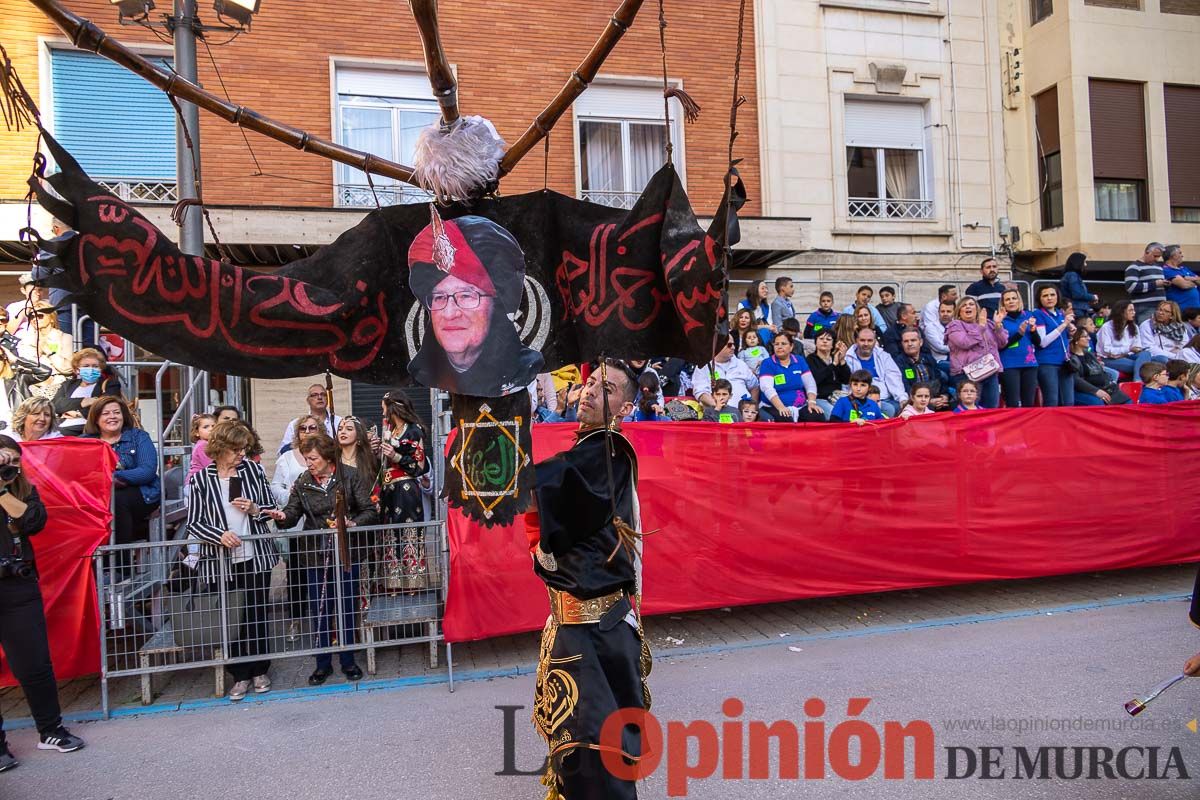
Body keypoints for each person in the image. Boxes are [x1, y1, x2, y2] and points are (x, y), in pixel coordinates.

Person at [526, 359, 649, 800]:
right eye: (591, 382)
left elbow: (563, 482)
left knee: (596, 755)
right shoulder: (590, 450)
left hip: (596, 633)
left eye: (609, 388)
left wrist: (510, 473)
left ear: (626, 407)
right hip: (579, 628)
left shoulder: (610, 450)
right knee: (583, 757)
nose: (592, 391)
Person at [0, 435, 84, 772]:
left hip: (17, 588)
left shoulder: (20, 491)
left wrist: (3, 491)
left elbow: (33, 522)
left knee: (34, 665)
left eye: (11, 461)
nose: (7, 466)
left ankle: (50, 730)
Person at [185, 421, 282, 701]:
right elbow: (195, 523)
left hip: (255, 555)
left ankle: (260, 670)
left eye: (244, 449)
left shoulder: (252, 470)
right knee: (230, 618)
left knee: (256, 613)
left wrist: (254, 509)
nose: (242, 453)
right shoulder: (202, 479)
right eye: (237, 449)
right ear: (221, 448)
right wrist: (219, 535)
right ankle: (239, 674)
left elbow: (270, 510)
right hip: (220, 559)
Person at [275, 434, 378, 685]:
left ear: (327, 458)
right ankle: (322, 663)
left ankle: (348, 660)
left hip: (345, 553)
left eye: (312, 458)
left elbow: (369, 510)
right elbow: (292, 512)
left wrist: (352, 522)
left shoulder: (349, 476)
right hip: (315, 554)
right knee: (321, 609)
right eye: (306, 458)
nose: (308, 463)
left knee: (346, 607)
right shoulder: (303, 481)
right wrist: (279, 516)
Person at [406, 211, 543, 395]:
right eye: (439, 297)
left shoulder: (522, 370)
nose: (449, 313)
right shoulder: (420, 374)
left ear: (497, 304)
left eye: (466, 296)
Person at [84, 397, 160, 576]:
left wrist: (112, 477)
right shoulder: (86, 441)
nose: (112, 417)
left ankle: (120, 568)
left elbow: (147, 471)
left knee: (117, 500)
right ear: (96, 418)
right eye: (106, 413)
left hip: (141, 493)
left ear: (124, 416)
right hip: (97, 498)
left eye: (116, 412)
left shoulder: (138, 436)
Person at [270, 414, 320, 642]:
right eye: (304, 428)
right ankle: (296, 621)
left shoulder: (327, 457)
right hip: (295, 525)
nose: (308, 431)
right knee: (296, 576)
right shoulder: (287, 458)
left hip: (319, 525)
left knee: (322, 574)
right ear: (297, 433)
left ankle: (324, 621)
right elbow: (275, 486)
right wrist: (288, 493)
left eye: (313, 427)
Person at [377, 391, 432, 592]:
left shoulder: (413, 431)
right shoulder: (389, 432)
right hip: (388, 489)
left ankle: (414, 584)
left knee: (409, 533)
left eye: (384, 407)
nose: (382, 412)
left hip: (406, 488)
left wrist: (396, 456)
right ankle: (393, 584)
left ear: (392, 407)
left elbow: (420, 466)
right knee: (391, 534)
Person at [946, 297, 1006, 409]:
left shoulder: (988, 323)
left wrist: (998, 325)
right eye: (964, 305)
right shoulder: (954, 325)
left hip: (989, 371)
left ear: (977, 309)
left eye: (971, 304)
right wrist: (980, 327)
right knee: (970, 410)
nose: (968, 306)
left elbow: (1002, 343)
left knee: (991, 409)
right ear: (959, 311)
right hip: (966, 375)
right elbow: (964, 343)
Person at [51, 348, 121, 435]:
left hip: (87, 430)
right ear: (77, 370)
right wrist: (84, 402)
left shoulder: (110, 385)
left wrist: (76, 413)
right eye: (86, 366)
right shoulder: (68, 385)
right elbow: (55, 405)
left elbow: (105, 408)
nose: (91, 369)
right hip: (61, 425)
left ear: (101, 369)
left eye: (95, 366)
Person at [757, 332, 823, 422]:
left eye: (783, 344)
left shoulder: (799, 360)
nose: (779, 347)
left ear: (791, 347)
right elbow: (767, 388)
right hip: (774, 406)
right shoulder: (767, 363)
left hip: (800, 406)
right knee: (785, 419)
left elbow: (810, 384)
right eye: (776, 344)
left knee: (817, 415)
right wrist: (781, 407)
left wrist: (811, 403)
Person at [845, 327, 907, 417]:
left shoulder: (884, 356)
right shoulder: (847, 358)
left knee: (900, 408)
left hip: (884, 399)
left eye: (870, 340)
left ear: (875, 341)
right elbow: (845, 385)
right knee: (889, 409)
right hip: (858, 400)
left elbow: (894, 379)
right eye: (862, 340)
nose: (866, 344)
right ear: (856, 340)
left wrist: (902, 399)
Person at [1032, 286, 1075, 407]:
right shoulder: (1038, 314)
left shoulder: (1060, 314)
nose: (1049, 298)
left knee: (1068, 402)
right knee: (1052, 401)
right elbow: (1042, 342)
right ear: (1039, 299)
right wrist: (1064, 325)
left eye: (1052, 295)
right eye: (1045, 296)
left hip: (1065, 363)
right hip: (1047, 363)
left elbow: (1061, 339)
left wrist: (1070, 333)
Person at [998, 289, 1040, 408]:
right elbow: (1000, 345)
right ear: (1003, 303)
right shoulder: (1000, 320)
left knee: (1029, 403)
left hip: (1030, 364)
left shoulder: (1028, 315)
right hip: (1009, 364)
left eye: (1014, 298)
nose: (1011, 301)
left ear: (1019, 300)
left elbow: (1038, 342)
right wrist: (1019, 334)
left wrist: (1033, 331)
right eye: (1007, 299)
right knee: (1012, 402)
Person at [1068, 330, 1130, 406]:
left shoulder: (1089, 355)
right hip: (1087, 390)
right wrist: (1096, 391)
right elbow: (1077, 380)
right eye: (1085, 336)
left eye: (1088, 336)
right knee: (1099, 403)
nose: (1089, 338)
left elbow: (1101, 372)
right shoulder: (1072, 358)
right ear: (1076, 340)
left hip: (1103, 387)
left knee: (1128, 401)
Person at [692, 337, 758, 408]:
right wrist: (717, 406)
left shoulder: (740, 364)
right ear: (718, 346)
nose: (733, 347)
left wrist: (752, 408)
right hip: (716, 414)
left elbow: (755, 386)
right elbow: (700, 393)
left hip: (742, 415)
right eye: (729, 345)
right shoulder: (703, 365)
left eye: (733, 344)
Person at [278, 384, 342, 456]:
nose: (320, 397)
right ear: (308, 400)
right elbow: (283, 452)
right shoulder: (295, 424)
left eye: (323, 394)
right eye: (314, 395)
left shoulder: (340, 422)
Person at [896, 330, 950, 411]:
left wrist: (944, 395)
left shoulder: (929, 358)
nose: (910, 344)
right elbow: (905, 386)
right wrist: (928, 401)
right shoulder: (899, 362)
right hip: (915, 401)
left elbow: (940, 379)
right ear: (902, 344)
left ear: (920, 342)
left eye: (913, 340)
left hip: (934, 397)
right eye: (906, 341)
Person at [805, 328, 851, 419]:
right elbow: (816, 379)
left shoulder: (836, 357)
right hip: (820, 398)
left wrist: (842, 361)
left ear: (833, 344)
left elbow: (846, 380)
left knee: (852, 413)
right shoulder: (810, 359)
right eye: (821, 339)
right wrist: (833, 365)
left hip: (837, 397)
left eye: (828, 339)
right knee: (835, 415)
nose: (824, 341)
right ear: (816, 342)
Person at [1096, 299, 1144, 378]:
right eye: (1131, 310)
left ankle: (1138, 379)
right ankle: (1137, 381)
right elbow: (1107, 350)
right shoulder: (1107, 327)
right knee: (1143, 367)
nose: (1134, 313)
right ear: (1122, 312)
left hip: (1128, 356)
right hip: (1109, 359)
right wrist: (1129, 349)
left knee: (1146, 354)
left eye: (1134, 310)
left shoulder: (1134, 326)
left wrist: (1130, 351)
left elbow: (1137, 346)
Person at [1137, 300, 1189, 367]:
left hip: (1177, 357)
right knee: (1163, 359)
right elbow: (1149, 348)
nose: (1161, 313)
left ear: (1172, 316)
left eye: (1166, 311)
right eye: (1159, 310)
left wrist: (1178, 350)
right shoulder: (1147, 325)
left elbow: (1185, 345)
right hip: (1156, 357)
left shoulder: (1180, 327)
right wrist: (1173, 356)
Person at [1125, 242, 1167, 324]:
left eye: (1159, 257)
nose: (1157, 259)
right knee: (1147, 330)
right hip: (1145, 307)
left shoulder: (1158, 267)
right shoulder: (1134, 267)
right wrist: (1155, 284)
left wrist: (1165, 284)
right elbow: (1130, 287)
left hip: (1159, 307)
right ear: (1147, 252)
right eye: (1155, 256)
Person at [1059, 252, 1099, 319]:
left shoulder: (1069, 275)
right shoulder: (1072, 275)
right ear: (1078, 263)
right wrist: (1093, 297)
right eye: (1084, 262)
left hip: (1076, 308)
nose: (1085, 265)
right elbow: (1077, 294)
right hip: (1077, 310)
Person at [1160, 245, 1199, 312]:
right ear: (1173, 256)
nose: (1182, 255)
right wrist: (1195, 281)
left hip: (1196, 311)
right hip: (1182, 311)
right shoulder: (1166, 270)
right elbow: (1184, 285)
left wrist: (1189, 278)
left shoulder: (1184, 269)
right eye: (1180, 253)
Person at [923, 298, 956, 371]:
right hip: (941, 360)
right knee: (958, 367)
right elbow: (941, 348)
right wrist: (959, 347)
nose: (945, 314)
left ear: (954, 312)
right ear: (938, 312)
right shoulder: (930, 327)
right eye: (942, 311)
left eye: (949, 311)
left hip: (958, 358)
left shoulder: (959, 325)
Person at [184, 413, 217, 484]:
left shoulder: (210, 444)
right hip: (196, 483)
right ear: (196, 432)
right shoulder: (203, 445)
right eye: (206, 427)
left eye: (213, 426)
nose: (211, 429)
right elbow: (211, 465)